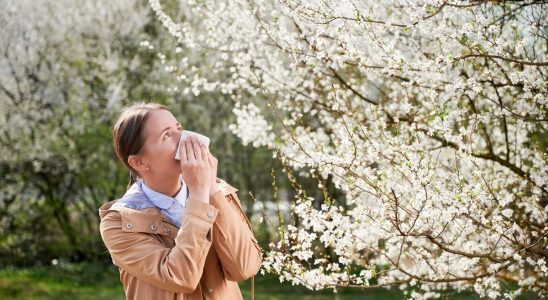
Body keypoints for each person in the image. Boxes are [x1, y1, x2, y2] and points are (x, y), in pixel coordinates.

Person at [98, 102, 262, 299]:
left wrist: (210, 192)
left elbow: (245, 268)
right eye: (167, 135)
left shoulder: (218, 192)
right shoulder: (118, 223)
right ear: (139, 162)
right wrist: (200, 196)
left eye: (179, 128)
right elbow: (180, 278)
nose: (185, 139)